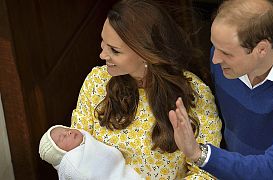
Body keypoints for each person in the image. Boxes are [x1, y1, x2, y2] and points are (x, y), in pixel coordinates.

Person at [169, 0, 273, 179]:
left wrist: (198, 153)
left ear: (261, 49)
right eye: (214, 46)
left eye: (226, 53)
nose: (215, 58)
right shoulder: (224, 63)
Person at [70, 0, 222, 179]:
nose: (102, 55)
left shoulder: (194, 92)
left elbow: (205, 173)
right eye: (103, 42)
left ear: (146, 54)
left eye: (114, 50)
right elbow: (75, 152)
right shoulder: (96, 81)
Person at [39, 125, 142, 180]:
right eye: (63, 137)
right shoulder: (71, 163)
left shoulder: (86, 143)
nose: (68, 132)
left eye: (66, 129)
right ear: (59, 153)